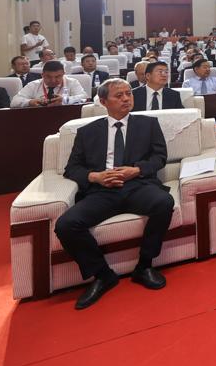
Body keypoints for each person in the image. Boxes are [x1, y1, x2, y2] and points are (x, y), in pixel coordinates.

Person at [55, 79, 174, 309]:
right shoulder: (87, 132)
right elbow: (72, 168)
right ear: (103, 101)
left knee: (163, 202)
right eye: (119, 96)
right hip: (102, 191)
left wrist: (136, 170)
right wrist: (96, 177)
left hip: (137, 185)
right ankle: (102, 274)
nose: (126, 99)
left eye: (129, 94)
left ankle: (145, 265)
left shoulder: (148, 124)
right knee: (66, 225)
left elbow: (159, 158)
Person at [11, 60, 87, 108]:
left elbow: (84, 97)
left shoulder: (72, 82)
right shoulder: (33, 85)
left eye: (57, 76)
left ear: (64, 74)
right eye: (49, 77)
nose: (53, 80)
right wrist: (30, 102)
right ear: (42, 75)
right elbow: (14, 102)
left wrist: (65, 100)